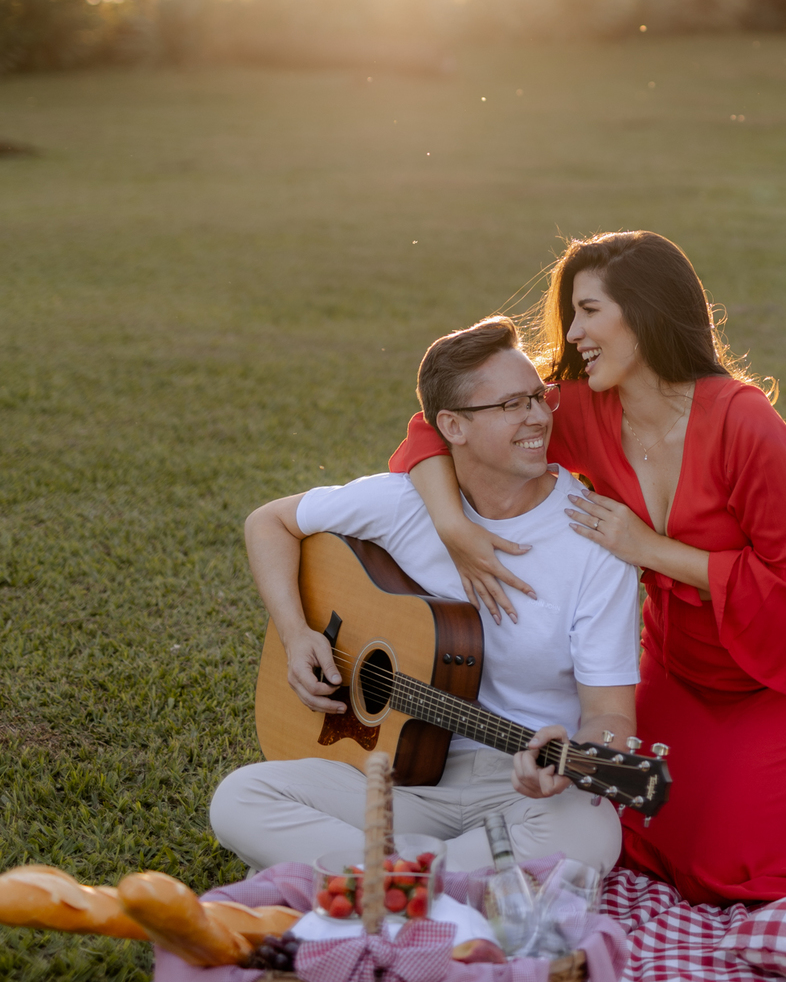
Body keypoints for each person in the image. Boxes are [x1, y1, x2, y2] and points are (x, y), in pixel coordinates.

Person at [388, 231, 786, 907]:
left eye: (589, 311)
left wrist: (647, 548)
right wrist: (454, 528)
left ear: (645, 312)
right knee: (629, 813)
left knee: (739, 869)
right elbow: (434, 427)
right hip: (682, 661)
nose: (573, 333)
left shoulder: (746, 424)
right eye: (571, 314)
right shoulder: (583, 409)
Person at [210, 316, 640, 876]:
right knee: (241, 797)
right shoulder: (401, 504)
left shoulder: (594, 539)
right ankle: (444, 878)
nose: (538, 417)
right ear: (452, 426)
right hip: (390, 776)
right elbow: (268, 523)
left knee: (589, 833)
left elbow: (611, 714)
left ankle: (376, 876)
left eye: (539, 396)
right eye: (511, 405)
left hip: (518, 792)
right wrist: (296, 634)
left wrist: (570, 758)